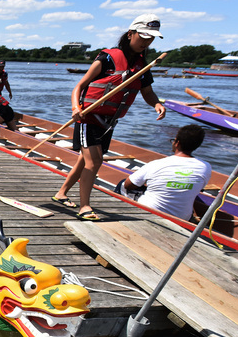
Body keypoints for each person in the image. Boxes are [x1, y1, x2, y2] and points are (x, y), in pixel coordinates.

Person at [52, 14, 166, 221]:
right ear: (130, 34)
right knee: (94, 161)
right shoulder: (108, 58)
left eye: (151, 38)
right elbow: (80, 86)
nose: (147, 42)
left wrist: (157, 104)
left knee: (85, 160)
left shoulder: (143, 66)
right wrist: (75, 107)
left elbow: (148, 93)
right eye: (143, 37)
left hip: (108, 122)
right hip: (88, 117)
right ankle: (85, 207)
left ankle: (61, 193)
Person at [118, 125, 212, 220]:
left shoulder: (157, 164)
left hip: (150, 212)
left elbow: (127, 185)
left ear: (177, 143)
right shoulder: (205, 167)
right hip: (182, 218)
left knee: (122, 183)